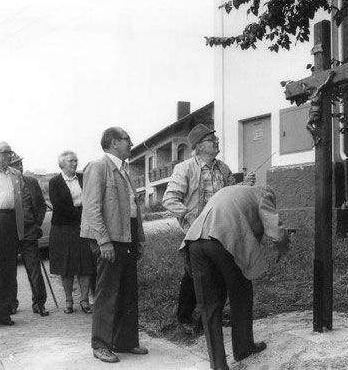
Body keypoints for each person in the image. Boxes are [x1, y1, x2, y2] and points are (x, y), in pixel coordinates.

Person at [181, 184, 289, 370]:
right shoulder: (265, 194)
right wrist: (284, 248)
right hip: (223, 239)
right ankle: (243, 348)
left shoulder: (232, 190)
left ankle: (219, 365)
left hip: (195, 242)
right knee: (241, 294)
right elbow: (277, 234)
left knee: (209, 306)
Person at [162, 123, 255, 334]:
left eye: (216, 138)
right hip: (197, 230)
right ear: (199, 147)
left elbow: (230, 192)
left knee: (219, 274)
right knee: (194, 274)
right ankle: (184, 317)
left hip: (220, 229)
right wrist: (191, 218)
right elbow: (169, 199)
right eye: (211, 140)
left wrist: (245, 185)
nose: (216, 141)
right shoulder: (184, 168)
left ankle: (209, 320)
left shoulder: (223, 168)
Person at [81, 127, 148, 364]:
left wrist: (137, 239)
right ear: (113, 143)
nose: (131, 143)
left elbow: (132, 210)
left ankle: (125, 341)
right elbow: (91, 208)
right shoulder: (98, 167)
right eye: (127, 140)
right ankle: (100, 344)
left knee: (128, 291)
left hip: (126, 237)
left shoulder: (123, 170)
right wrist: (103, 240)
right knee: (107, 293)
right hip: (109, 239)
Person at [48, 150, 94, 315]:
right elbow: (58, 206)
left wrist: (87, 217)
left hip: (84, 226)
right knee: (66, 265)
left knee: (85, 263)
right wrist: (81, 216)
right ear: (62, 164)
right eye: (70, 161)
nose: (74, 164)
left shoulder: (83, 178)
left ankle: (84, 300)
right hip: (63, 226)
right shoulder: (54, 182)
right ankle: (68, 300)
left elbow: (92, 198)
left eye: (76, 160)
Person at [0, 141, 29, 328]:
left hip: (12, 220)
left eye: (10, 152)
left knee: (8, 269)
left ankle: (2, 313)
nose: (9, 156)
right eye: (5, 152)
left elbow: (22, 201)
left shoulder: (16, 174)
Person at [9, 153, 49, 316]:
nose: (19, 167)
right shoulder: (2, 184)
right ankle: (10, 304)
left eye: (20, 163)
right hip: (9, 233)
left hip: (28, 231)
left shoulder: (31, 182)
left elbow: (41, 205)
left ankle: (39, 303)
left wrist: (36, 223)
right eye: (15, 164)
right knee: (8, 270)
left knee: (34, 268)